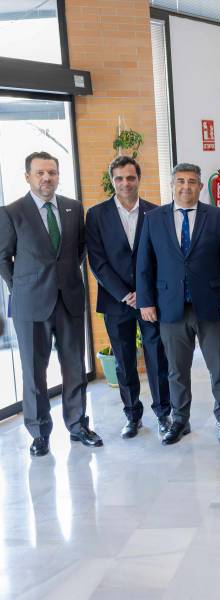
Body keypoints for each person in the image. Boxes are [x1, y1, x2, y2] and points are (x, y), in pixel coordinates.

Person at [0, 151, 102, 456]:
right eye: (40, 173)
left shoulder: (73, 207)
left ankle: (78, 425)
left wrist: (63, 277)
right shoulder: (12, 212)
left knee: (75, 367)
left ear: (58, 175)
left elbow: (79, 250)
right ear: (28, 177)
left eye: (52, 173)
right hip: (30, 305)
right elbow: (3, 258)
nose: (47, 178)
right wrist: (21, 287)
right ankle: (39, 432)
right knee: (34, 372)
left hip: (69, 299)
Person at [136, 163, 220, 446]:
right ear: (172, 185)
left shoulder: (218, 217)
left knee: (219, 368)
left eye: (192, 181)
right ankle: (180, 420)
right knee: (176, 370)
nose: (186, 187)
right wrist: (146, 301)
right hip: (170, 307)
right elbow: (144, 264)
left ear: (200, 186)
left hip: (212, 307)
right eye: (181, 181)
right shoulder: (153, 219)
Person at [85, 156, 172, 439]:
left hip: (150, 302)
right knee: (124, 362)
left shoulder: (155, 213)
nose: (125, 183)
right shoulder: (96, 215)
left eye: (130, 177)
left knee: (157, 359)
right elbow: (97, 263)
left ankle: (163, 414)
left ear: (138, 179)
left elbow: (162, 259)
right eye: (119, 178)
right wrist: (125, 294)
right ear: (112, 180)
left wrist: (145, 295)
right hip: (115, 301)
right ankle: (132, 416)